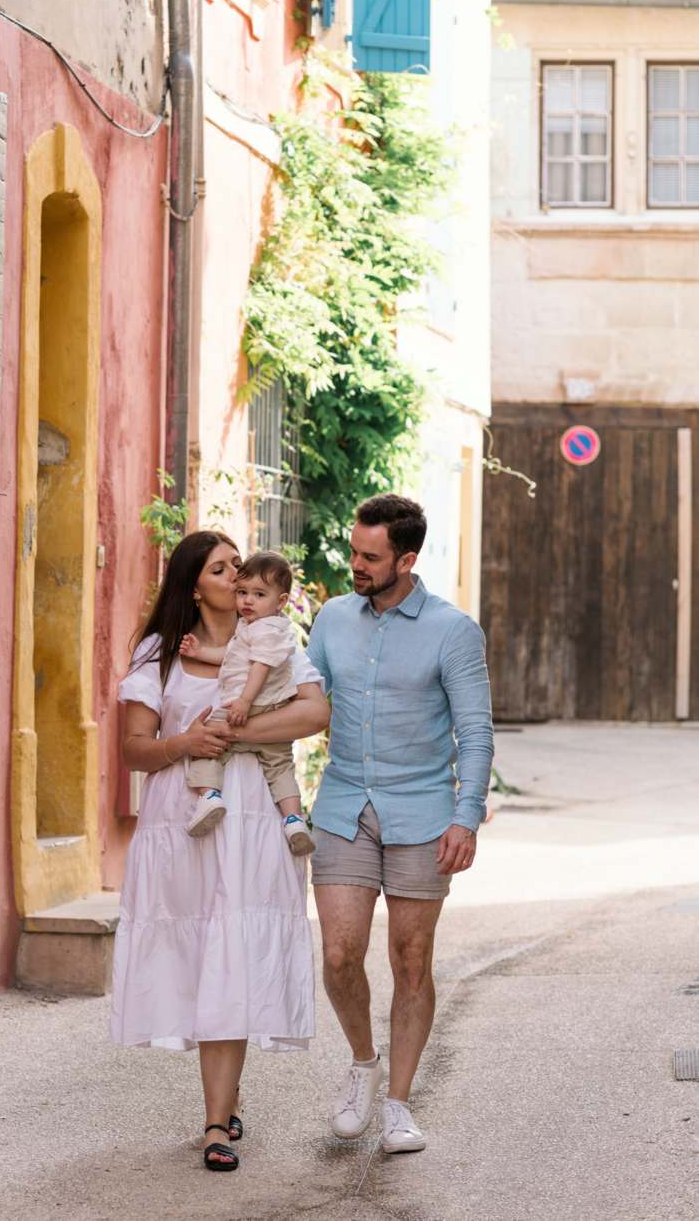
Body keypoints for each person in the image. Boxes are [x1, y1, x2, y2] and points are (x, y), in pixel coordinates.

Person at [110, 530, 330, 1172]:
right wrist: (186, 743)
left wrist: (230, 735)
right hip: (183, 818)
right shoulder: (160, 651)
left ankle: (215, 1123)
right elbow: (134, 749)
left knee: (233, 949)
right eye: (221, 567)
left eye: (241, 566)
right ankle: (224, 1098)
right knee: (198, 952)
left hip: (256, 815)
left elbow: (315, 713)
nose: (237, 575)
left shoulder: (270, 635)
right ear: (194, 583)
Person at [304, 494, 493, 1155]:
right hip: (342, 806)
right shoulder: (330, 618)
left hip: (423, 813)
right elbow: (300, 701)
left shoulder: (452, 630)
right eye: (353, 550)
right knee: (337, 953)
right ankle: (363, 1062)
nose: (355, 564)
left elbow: (475, 732)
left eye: (370, 557)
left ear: (407, 560)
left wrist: (466, 818)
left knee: (411, 958)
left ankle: (398, 1104)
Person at [179, 550, 316, 855]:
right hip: (272, 714)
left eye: (258, 594)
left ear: (281, 602)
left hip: (251, 707)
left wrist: (243, 701)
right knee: (279, 767)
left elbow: (260, 667)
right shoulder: (257, 627)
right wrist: (200, 652)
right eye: (242, 592)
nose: (247, 601)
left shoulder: (267, 629)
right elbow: (232, 657)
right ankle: (294, 819)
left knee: (207, 744)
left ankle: (210, 797)